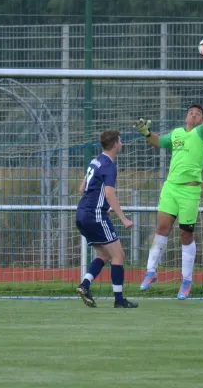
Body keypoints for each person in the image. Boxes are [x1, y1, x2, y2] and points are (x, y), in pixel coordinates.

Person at [135, 80, 203, 300]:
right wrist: (145, 132)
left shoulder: (201, 132)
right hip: (170, 188)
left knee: (185, 234)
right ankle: (151, 272)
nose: (194, 114)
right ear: (185, 116)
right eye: (191, 112)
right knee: (161, 229)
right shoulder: (177, 134)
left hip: (190, 191)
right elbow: (158, 141)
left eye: (198, 113)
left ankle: (186, 280)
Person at [75, 130, 138, 308]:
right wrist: (124, 218)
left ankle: (85, 285)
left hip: (82, 214)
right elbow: (109, 193)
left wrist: (103, 206)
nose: (122, 143)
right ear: (116, 144)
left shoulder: (95, 161)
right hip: (94, 215)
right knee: (119, 255)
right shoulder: (109, 165)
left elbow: (82, 188)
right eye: (121, 140)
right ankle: (119, 300)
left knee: (104, 254)